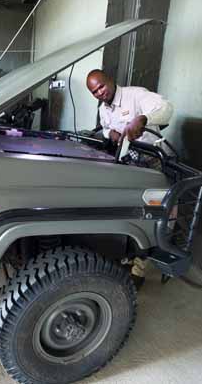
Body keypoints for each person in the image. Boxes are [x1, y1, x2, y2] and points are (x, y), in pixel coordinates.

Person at [86, 69, 174, 290]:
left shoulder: (136, 95)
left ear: (111, 81)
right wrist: (111, 134)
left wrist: (143, 119)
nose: (100, 93)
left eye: (101, 87)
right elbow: (106, 129)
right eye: (94, 92)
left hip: (150, 164)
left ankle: (140, 269)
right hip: (128, 164)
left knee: (149, 215)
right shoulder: (103, 108)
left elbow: (166, 108)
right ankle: (127, 256)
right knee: (129, 212)